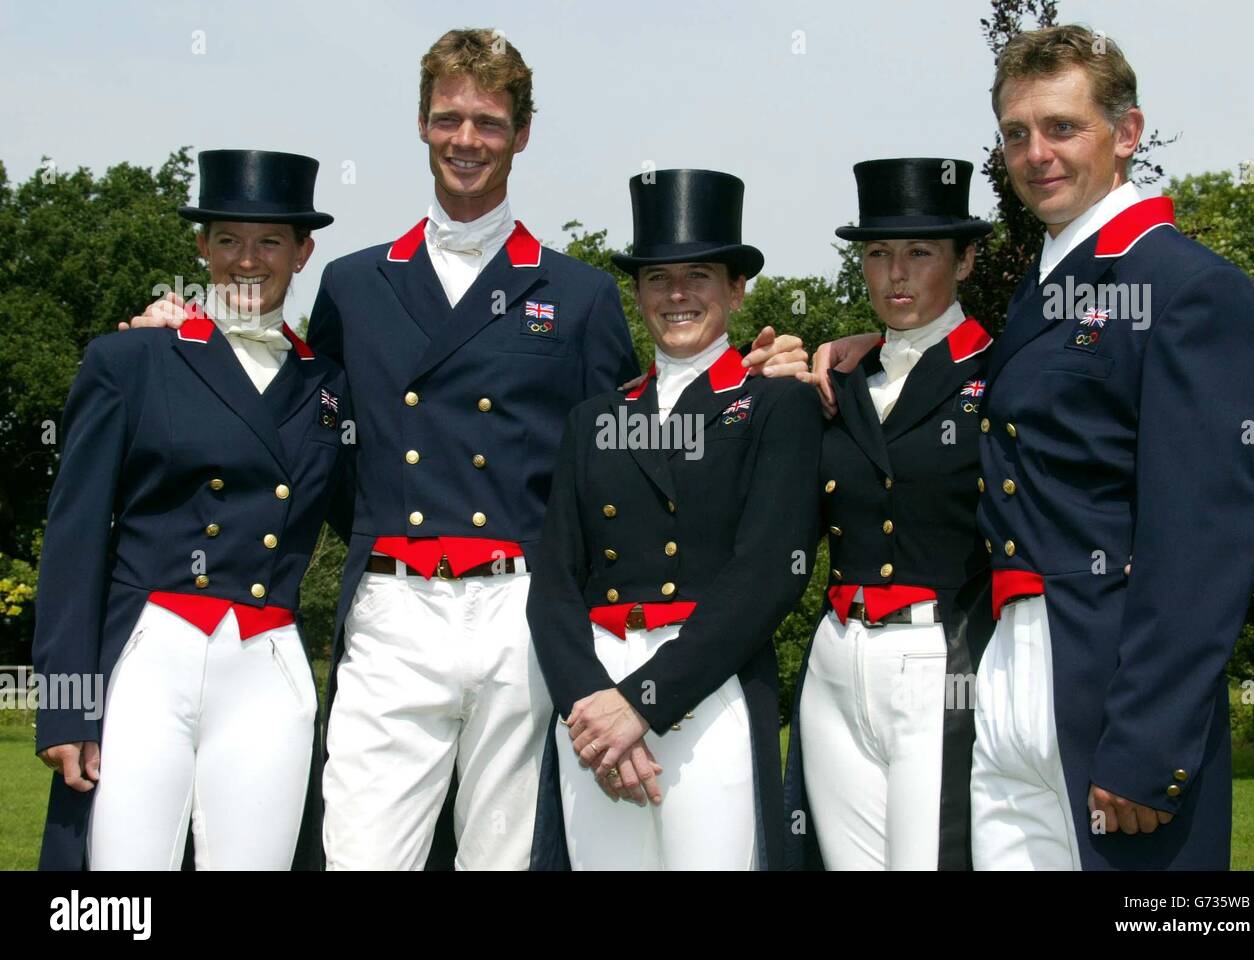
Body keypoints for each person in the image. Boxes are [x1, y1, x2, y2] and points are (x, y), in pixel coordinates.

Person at [131, 28, 805, 870]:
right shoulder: (354, 282)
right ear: (421, 124)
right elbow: (306, 417)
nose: (467, 140)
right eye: (449, 117)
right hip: (394, 605)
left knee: (506, 856)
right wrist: (189, 329)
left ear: (522, 133)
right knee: (361, 854)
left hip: (519, 611)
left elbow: (632, 460)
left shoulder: (580, 293)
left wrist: (764, 367)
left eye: (489, 122)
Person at [817, 25, 1254, 870]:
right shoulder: (1042, 290)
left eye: (1063, 127)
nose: (1038, 153)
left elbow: (1205, 540)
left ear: (1126, 133)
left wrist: (1150, 740)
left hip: (1110, 679)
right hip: (1006, 668)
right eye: (1017, 133)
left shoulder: (1188, 288)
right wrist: (864, 350)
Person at [34, 149, 349, 869]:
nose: (248, 260)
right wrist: (64, 705)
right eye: (229, 239)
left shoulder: (329, 386)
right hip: (149, 656)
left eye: (270, 241)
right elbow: (75, 538)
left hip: (266, 660)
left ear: (303, 253)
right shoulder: (131, 361)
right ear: (201, 246)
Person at [528, 169, 822, 870]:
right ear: (638, 292)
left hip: (707, 688)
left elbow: (766, 576)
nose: (678, 294)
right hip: (595, 703)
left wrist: (643, 704)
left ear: (736, 288)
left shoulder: (778, 406)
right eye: (659, 278)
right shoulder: (594, 419)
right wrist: (589, 704)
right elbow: (555, 586)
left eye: (699, 274)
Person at [784, 158, 996, 871]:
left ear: (965, 260)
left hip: (939, 658)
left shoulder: (997, 374)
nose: (895, 274)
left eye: (919, 253)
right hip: (837, 659)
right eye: (877, 254)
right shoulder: (838, 379)